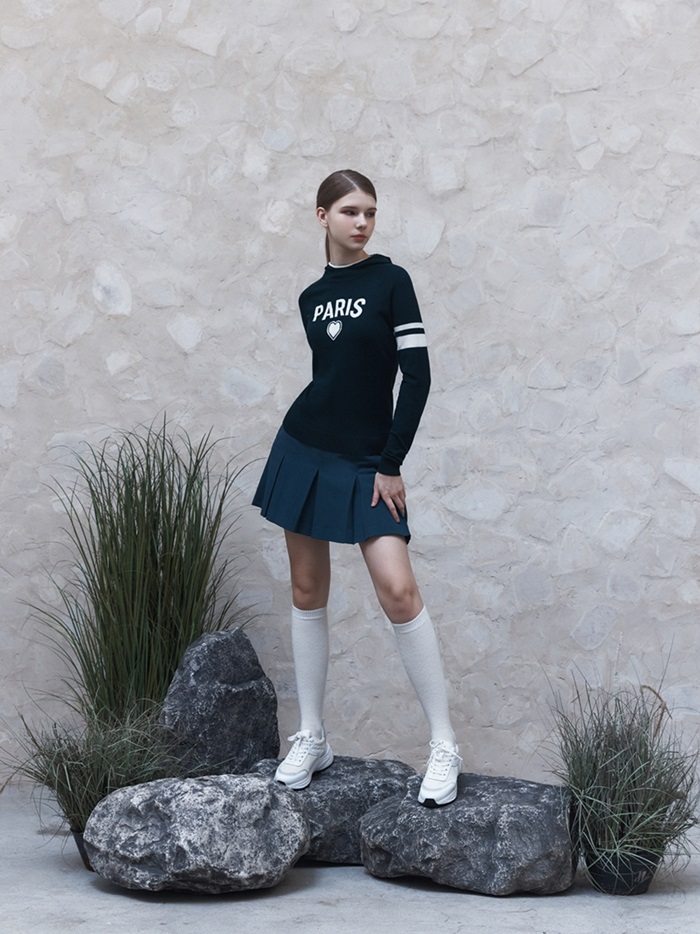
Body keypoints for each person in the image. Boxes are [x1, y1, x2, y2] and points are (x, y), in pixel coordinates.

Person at [253, 169, 461, 806]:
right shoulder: (311, 298)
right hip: (305, 450)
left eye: (370, 211)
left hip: (371, 461)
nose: (362, 222)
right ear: (322, 216)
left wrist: (390, 463)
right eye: (349, 211)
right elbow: (333, 378)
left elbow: (416, 378)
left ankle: (444, 744)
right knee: (306, 589)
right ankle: (313, 735)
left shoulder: (392, 283)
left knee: (398, 590)